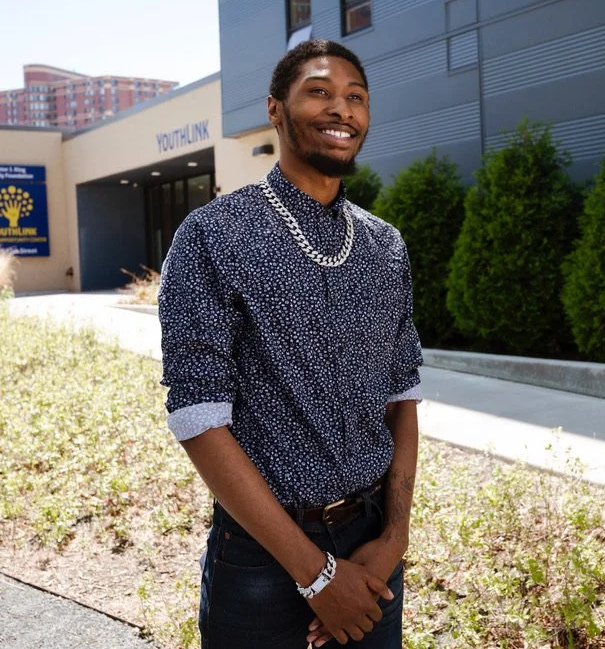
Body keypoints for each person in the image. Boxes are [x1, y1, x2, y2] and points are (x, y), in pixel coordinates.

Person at [158, 39, 423, 648]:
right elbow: (198, 419)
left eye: (356, 98)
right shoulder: (214, 235)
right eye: (320, 92)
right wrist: (316, 576)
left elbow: (403, 397)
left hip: (373, 546)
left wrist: (394, 540)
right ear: (275, 109)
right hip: (262, 557)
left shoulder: (385, 246)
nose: (342, 110)